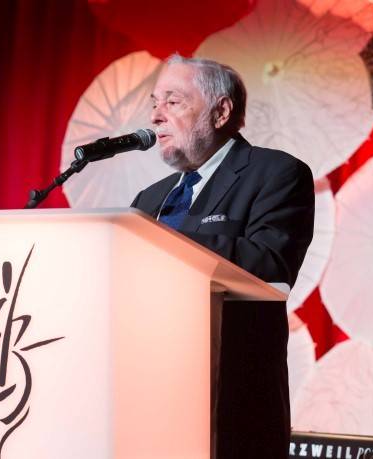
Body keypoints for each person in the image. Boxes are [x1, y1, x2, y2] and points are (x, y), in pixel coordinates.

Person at [131, 55, 315, 458]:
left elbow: (271, 265)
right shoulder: (148, 200)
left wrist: (160, 241)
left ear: (221, 112)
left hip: (230, 406)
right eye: (154, 103)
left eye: (173, 102)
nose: (156, 116)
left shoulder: (275, 173)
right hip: (144, 402)